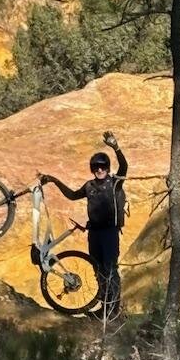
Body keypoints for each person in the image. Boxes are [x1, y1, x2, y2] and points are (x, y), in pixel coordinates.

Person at [40, 131, 128, 314]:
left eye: (102, 167)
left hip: (110, 233)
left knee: (110, 269)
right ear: (92, 169)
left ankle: (113, 309)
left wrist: (115, 147)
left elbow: (124, 166)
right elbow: (72, 195)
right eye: (96, 167)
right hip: (94, 233)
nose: (99, 170)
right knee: (98, 270)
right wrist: (55, 181)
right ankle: (104, 307)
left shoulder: (115, 183)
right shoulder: (89, 186)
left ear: (107, 167)